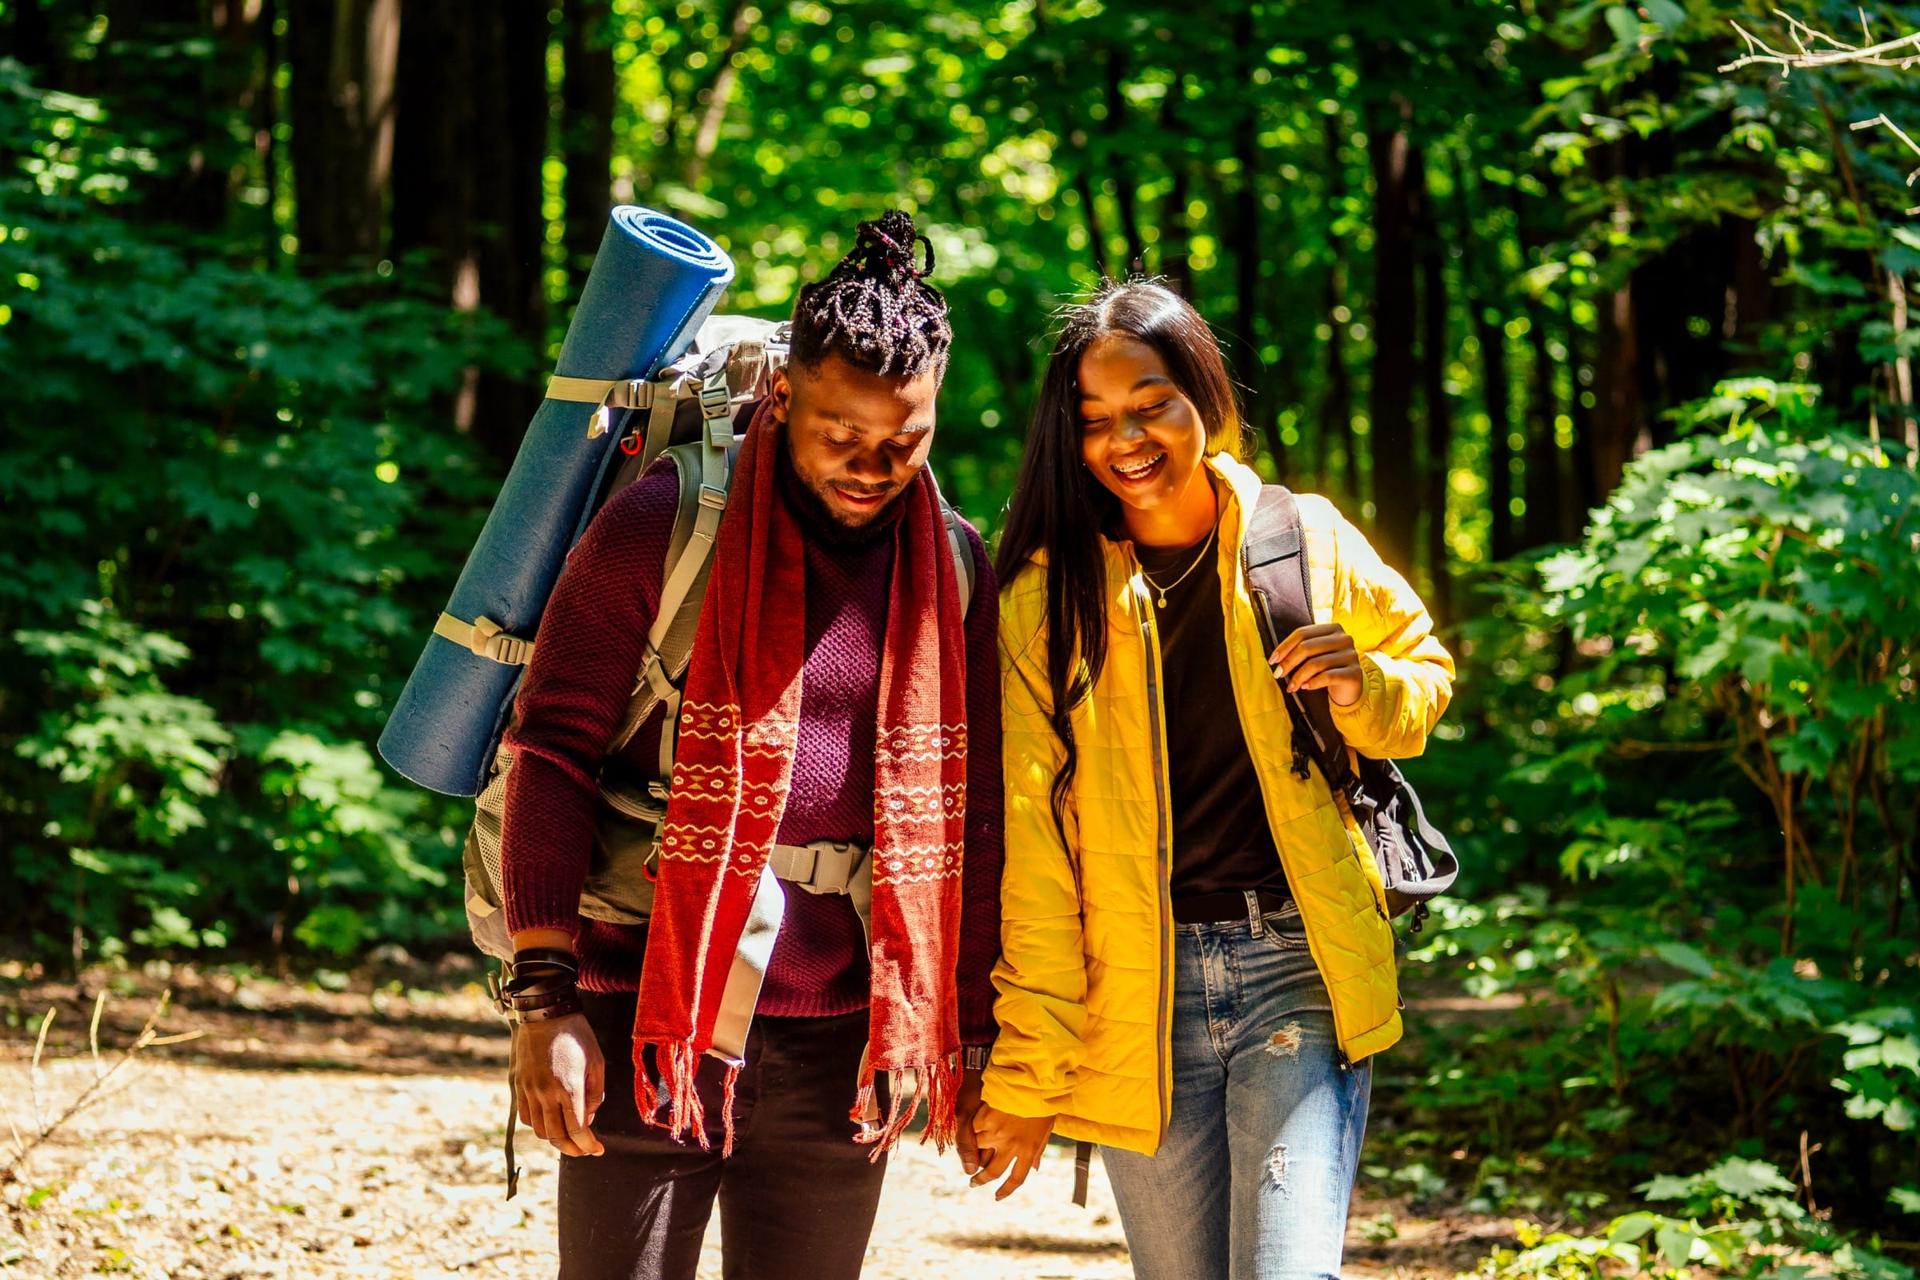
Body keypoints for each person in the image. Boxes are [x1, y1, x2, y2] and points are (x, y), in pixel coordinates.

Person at [497, 211, 1003, 1280]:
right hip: (643, 1008)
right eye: (840, 433)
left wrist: (978, 1030)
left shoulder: (955, 568)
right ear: (783, 396)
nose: (873, 465)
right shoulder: (664, 524)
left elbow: (984, 814)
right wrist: (542, 1005)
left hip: (842, 1044)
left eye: (903, 440)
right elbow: (551, 750)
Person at [971, 280, 1453, 1280]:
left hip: (1296, 961)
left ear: (1206, 397)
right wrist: (1028, 1071)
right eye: (1096, 419)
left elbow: (1423, 676)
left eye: (1150, 403)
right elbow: (1037, 856)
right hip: (1133, 990)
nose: (1126, 437)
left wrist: (1367, 686)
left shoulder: (1302, 538)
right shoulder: (1043, 600)